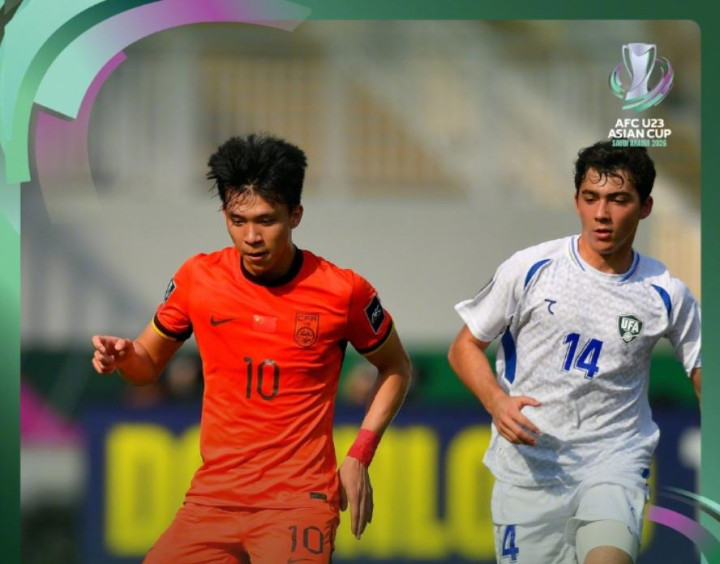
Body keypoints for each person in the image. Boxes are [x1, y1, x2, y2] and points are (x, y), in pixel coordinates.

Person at [91, 133, 412, 564]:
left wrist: (359, 455)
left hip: (299, 503)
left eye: (266, 220)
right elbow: (146, 365)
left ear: (296, 215)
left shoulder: (343, 291)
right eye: (237, 220)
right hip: (212, 501)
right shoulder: (197, 278)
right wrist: (124, 356)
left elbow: (396, 367)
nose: (251, 237)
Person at [448, 141, 701, 564]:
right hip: (529, 472)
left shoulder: (665, 292)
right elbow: (464, 347)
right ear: (577, 201)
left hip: (614, 462)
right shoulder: (530, 268)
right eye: (591, 198)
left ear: (645, 207)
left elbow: (703, 370)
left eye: (618, 199)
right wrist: (496, 402)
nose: (602, 213)